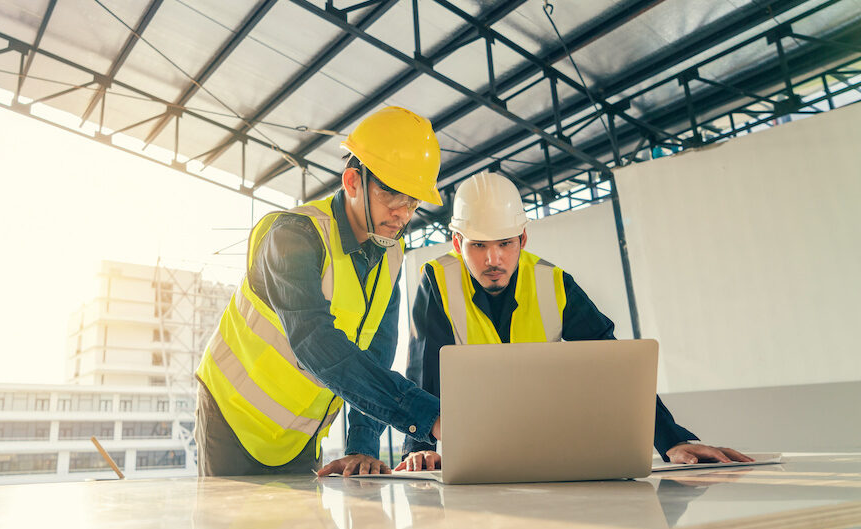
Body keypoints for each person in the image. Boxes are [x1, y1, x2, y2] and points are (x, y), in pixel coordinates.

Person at [395, 171, 751, 472]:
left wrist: (672, 440)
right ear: (457, 243)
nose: (494, 258)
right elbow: (425, 370)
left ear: (523, 238)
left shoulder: (554, 283)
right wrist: (418, 448)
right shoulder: (437, 281)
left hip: (546, 447)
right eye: (478, 245)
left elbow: (614, 365)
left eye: (505, 243)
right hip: (470, 452)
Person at [195, 106, 445, 477]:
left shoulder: (390, 252)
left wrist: (361, 446)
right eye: (393, 195)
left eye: (413, 201)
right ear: (352, 182)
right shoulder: (292, 236)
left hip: (300, 434)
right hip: (233, 417)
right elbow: (313, 340)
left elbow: (375, 353)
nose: (402, 214)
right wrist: (430, 416)